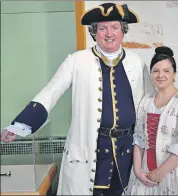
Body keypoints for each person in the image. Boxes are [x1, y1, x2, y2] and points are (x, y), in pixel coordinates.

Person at [1, 3, 153, 195]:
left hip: (128, 154)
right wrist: (20, 125)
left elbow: (150, 103)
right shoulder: (77, 60)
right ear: (93, 32)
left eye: (115, 27)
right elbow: (50, 93)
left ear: (123, 31)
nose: (109, 34)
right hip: (90, 152)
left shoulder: (137, 61)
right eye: (102, 28)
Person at [125, 46, 178, 195]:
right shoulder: (146, 101)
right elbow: (139, 138)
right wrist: (138, 171)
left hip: (174, 176)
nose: (160, 75)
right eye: (155, 71)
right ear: (150, 74)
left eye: (166, 71)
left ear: (174, 75)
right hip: (144, 175)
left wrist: (160, 172)